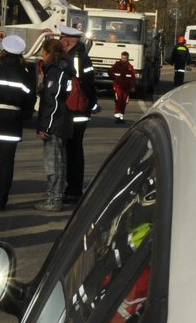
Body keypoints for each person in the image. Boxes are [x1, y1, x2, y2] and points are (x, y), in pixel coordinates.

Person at [0, 33, 35, 210]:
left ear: (3, 51)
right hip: (13, 119)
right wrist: (24, 114)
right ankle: (1, 201)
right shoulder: (26, 74)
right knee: (7, 162)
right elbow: (30, 100)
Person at [58, 24, 100, 204]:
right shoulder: (82, 55)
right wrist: (93, 103)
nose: (60, 41)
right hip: (81, 109)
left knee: (72, 151)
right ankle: (73, 188)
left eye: (61, 38)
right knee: (74, 150)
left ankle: (73, 190)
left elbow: (79, 83)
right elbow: (90, 84)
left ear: (67, 41)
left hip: (75, 110)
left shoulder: (74, 58)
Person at [34, 38, 73, 213]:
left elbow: (53, 101)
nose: (42, 56)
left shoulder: (56, 70)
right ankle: (55, 196)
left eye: (43, 52)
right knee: (60, 162)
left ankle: (54, 199)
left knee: (53, 163)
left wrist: (45, 126)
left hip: (55, 123)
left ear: (49, 52)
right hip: (62, 121)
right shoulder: (64, 67)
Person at [108, 50, 136, 122]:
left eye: (125, 58)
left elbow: (133, 77)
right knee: (118, 101)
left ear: (127, 58)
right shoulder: (117, 65)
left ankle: (121, 117)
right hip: (118, 87)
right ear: (121, 57)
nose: (124, 59)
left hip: (126, 88)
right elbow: (110, 71)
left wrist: (133, 86)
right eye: (122, 58)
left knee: (124, 102)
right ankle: (117, 117)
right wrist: (114, 77)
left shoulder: (130, 67)